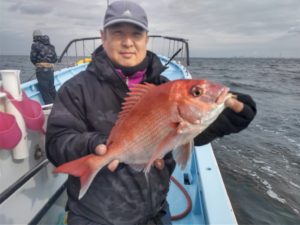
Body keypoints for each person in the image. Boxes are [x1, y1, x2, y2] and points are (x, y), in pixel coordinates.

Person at [46, 1, 256, 225]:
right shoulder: (76, 89)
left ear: (146, 39)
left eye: (136, 34)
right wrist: (97, 145)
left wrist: (227, 117)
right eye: (118, 34)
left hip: (154, 212)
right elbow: (57, 143)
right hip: (97, 217)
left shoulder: (165, 87)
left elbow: (191, 133)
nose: (128, 42)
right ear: (103, 37)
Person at [30, 29, 57, 104]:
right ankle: (59, 104)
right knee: (52, 89)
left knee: (44, 91)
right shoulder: (51, 46)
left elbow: (33, 58)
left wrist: (39, 64)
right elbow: (55, 59)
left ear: (34, 37)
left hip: (41, 71)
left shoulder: (35, 45)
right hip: (51, 70)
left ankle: (50, 108)